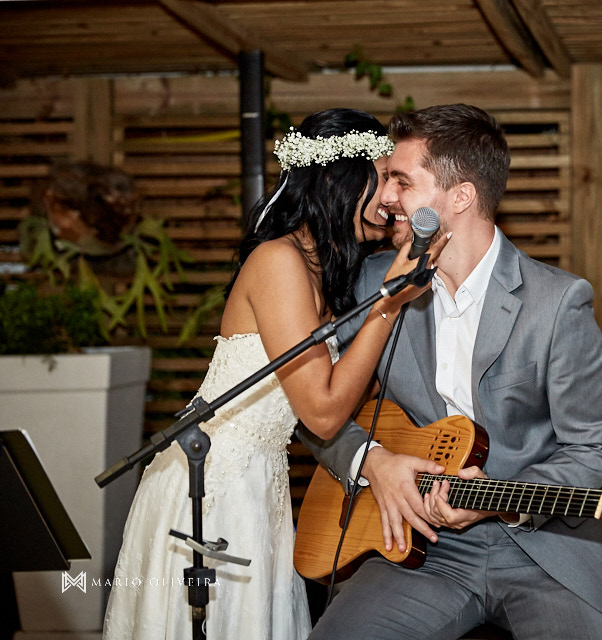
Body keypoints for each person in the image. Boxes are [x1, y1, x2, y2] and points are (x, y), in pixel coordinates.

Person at [102, 108, 447, 639]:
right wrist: (390, 305)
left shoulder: (323, 268)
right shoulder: (277, 260)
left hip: (260, 484)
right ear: (338, 177)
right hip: (211, 486)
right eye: (382, 178)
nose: (392, 198)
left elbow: (355, 387)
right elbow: (325, 412)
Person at [307, 104, 602, 639]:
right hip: (415, 545)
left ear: (459, 198)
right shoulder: (370, 285)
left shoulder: (557, 303)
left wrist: (501, 499)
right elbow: (314, 410)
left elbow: (596, 450)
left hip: (544, 547)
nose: (384, 197)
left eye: (401, 181)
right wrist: (375, 462)